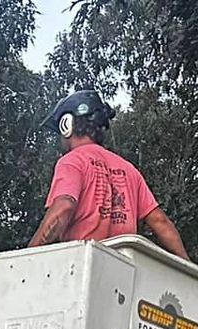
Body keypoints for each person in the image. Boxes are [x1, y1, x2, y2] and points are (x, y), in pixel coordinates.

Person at [29, 88, 189, 260]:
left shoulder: (72, 161)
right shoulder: (129, 169)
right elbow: (160, 221)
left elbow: (63, 208)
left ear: (66, 125)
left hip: (81, 265)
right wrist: (189, 269)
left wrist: (28, 256)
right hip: (124, 271)